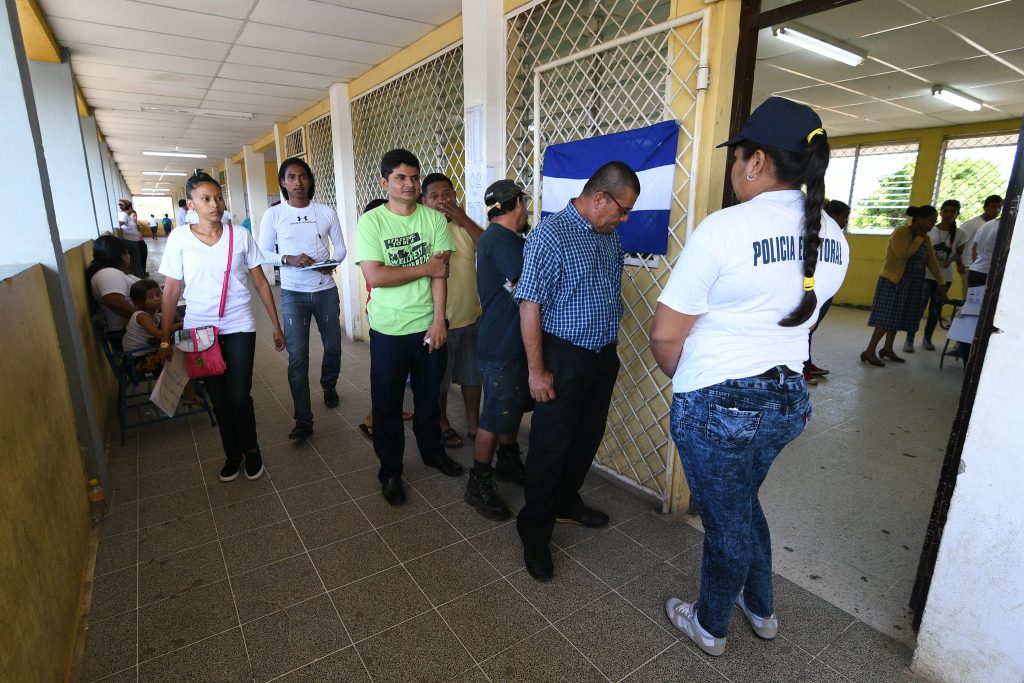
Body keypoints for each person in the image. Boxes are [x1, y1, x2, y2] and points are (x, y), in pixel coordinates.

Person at [650, 96, 848, 656]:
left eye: (737, 158)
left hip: (721, 403)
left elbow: (666, 335)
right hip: (789, 401)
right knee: (742, 503)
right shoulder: (833, 236)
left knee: (725, 521)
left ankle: (709, 624)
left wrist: (689, 385)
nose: (734, 170)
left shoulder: (725, 228)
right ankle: (760, 608)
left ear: (755, 161)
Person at [514, 161, 639, 581]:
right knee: (550, 448)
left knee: (587, 438)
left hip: (602, 356)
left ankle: (566, 503)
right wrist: (537, 371)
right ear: (599, 197)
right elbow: (529, 304)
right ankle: (534, 534)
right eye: (622, 209)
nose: (624, 219)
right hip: (562, 357)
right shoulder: (550, 236)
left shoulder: (609, 236)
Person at [158, 172, 286, 482]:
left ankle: (251, 450)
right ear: (191, 204)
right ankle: (232, 454)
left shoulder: (239, 236)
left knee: (239, 395)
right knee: (219, 399)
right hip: (199, 330)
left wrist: (275, 324)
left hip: (238, 323)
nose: (214, 204)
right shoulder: (179, 239)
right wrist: (164, 338)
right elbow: (172, 290)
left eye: (218, 197)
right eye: (205, 199)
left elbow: (259, 280)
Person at [355, 149, 461, 506]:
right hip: (388, 331)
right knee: (386, 404)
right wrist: (425, 268)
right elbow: (375, 275)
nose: (410, 184)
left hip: (428, 328)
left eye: (414, 177)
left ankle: (432, 452)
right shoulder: (372, 222)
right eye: (401, 177)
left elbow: (441, 274)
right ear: (385, 182)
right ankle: (391, 471)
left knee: (429, 398)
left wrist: (439, 320)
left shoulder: (433, 220)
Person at [258, 157, 346, 440]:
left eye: (303, 176)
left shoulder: (325, 211)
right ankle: (303, 419)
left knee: (333, 346)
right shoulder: (273, 215)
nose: (298, 182)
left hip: (324, 289)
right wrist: (288, 258)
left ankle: (329, 384)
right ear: (283, 182)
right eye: (292, 177)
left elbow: (342, 248)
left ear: (309, 180)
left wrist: (331, 263)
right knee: (298, 357)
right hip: (294, 294)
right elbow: (262, 253)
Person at [464, 179, 530, 520]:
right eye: (524, 202)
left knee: (509, 406)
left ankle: (507, 460)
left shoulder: (500, 237)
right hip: (502, 342)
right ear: (517, 203)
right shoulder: (502, 240)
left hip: (507, 339)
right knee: (495, 415)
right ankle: (478, 483)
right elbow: (529, 285)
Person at [420, 173, 484, 449]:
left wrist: (462, 218)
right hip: (437, 321)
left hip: (470, 317)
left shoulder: (463, 228)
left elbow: (488, 245)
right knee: (439, 381)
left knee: (472, 377)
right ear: (424, 201)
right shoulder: (421, 230)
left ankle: (473, 424)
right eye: (434, 196)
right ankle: (442, 423)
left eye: (447, 194)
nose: (441, 201)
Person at [861, 206, 945, 366]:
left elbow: (931, 261)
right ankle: (869, 351)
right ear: (919, 219)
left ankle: (887, 349)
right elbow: (902, 255)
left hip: (912, 283)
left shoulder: (925, 238)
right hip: (893, 281)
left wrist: (941, 281)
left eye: (934, 222)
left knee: (898, 318)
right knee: (886, 319)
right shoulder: (901, 232)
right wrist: (918, 238)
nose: (932, 225)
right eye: (930, 220)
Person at [356, 198, 412, 438]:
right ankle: (372, 418)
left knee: (396, 376)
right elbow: (378, 277)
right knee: (391, 377)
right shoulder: (374, 245)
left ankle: (391, 410)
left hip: (403, 316)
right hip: (385, 317)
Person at [903, 199, 967, 352]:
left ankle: (927, 339)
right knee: (917, 308)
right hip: (925, 275)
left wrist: (950, 260)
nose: (949, 214)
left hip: (944, 278)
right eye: (946, 211)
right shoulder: (930, 230)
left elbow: (959, 255)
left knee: (935, 310)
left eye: (953, 211)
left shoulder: (960, 234)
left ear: (957, 214)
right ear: (941, 212)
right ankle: (909, 339)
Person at [803, 199, 849, 384]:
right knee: (805, 328)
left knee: (811, 328)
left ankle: (808, 362)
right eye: (843, 217)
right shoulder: (815, 228)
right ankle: (801, 369)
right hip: (812, 287)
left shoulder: (835, 236)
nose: (845, 222)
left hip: (825, 289)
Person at [87, 235, 138, 347]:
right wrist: (141, 317)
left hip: (131, 330)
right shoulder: (107, 274)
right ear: (122, 254)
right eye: (127, 252)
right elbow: (113, 300)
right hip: (130, 333)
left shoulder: (109, 272)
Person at [958, 194, 1001, 280]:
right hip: (969, 266)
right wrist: (960, 264)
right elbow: (959, 245)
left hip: (988, 268)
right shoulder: (970, 224)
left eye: (999, 207)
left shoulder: (998, 225)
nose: (997, 210)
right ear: (985, 208)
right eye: (993, 207)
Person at [119, 203, 146, 278]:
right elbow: (120, 223)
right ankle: (139, 277)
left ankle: (141, 276)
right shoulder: (124, 215)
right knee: (134, 262)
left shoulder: (125, 216)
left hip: (133, 241)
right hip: (129, 241)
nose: (135, 217)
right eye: (134, 216)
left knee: (136, 262)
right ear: (130, 208)